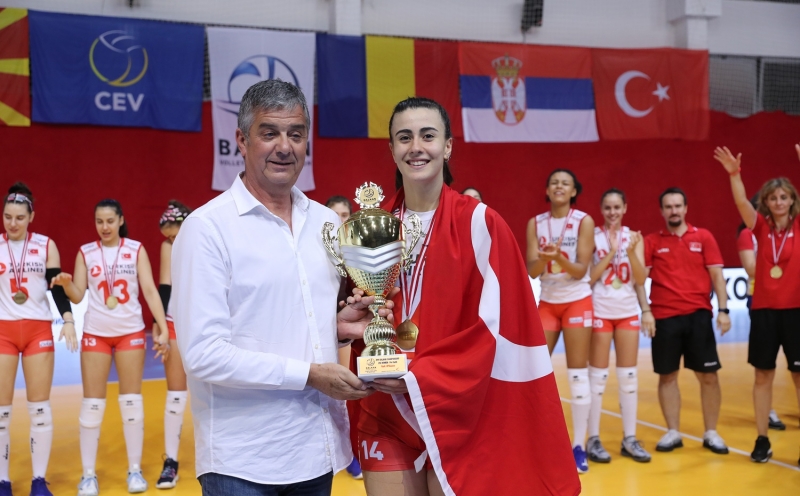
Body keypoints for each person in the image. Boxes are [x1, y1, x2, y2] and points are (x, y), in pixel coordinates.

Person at [171, 79, 388, 496]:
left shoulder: (326, 223)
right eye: (269, 133)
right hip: (243, 461)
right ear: (242, 140)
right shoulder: (207, 229)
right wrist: (308, 375)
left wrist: (338, 327)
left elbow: (287, 318)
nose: (284, 147)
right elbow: (202, 354)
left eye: (296, 134)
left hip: (316, 449)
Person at [360, 97, 578, 496]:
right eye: (404, 137)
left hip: (460, 409)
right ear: (391, 149)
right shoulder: (370, 228)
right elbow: (355, 314)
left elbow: (498, 328)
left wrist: (420, 376)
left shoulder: (482, 224)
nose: (416, 147)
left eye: (428, 136)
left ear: (447, 146)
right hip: (386, 405)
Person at [50, 199, 170, 495]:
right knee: (92, 404)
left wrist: (163, 327)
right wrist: (66, 283)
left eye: (109, 221)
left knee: (131, 402)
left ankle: (134, 471)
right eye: (99, 221)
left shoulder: (136, 250)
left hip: (130, 332)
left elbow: (150, 290)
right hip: (96, 333)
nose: (104, 227)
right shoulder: (86, 253)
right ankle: (88, 475)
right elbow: (78, 296)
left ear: (120, 221)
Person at [715, 145, 800, 464]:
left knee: (799, 377)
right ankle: (762, 439)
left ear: (792, 200)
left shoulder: (799, 226)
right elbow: (740, 202)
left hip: (796, 311)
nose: (778, 202)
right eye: (773, 198)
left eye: (784, 197)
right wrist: (734, 173)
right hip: (764, 312)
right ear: (766, 202)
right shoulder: (760, 227)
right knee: (762, 377)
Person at [0, 183, 77, 496]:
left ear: (31, 216)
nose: (13, 223)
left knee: (40, 409)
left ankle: (39, 481)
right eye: (7, 217)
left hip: (37, 332)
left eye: (20, 217)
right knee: (1, 413)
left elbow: (56, 287)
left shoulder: (46, 246)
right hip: (3, 331)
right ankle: (3, 482)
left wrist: (68, 319)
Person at [643, 187, 731, 456]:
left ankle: (711, 432)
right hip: (664, 318)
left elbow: (717, 277)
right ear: (662, 211)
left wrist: (724, 310)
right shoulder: (651, 241)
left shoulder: (703, 237)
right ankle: (673, 432)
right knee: (667, 376)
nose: (674, 211)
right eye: (669, 207)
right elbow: (638, 279)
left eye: (678, 206)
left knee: (709, 376)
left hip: (698, 316)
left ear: (686, 208)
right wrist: (645, 311)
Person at [526, 169, 596, 473]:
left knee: (578, 374)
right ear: (547, 190)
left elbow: (580, 270)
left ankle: (579, 446)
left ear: (573, 191)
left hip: (577, 299)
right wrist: (544, 258)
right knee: (535, 370)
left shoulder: (584, 221)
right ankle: (538, 441)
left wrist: (558, 257)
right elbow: (531, 270)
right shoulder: (536, 223)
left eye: (565, 183)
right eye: (554, 182)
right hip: (548, 301)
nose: (559, 186)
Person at [586, 189, 651, 464]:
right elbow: (589, 278)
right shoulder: (592, 236)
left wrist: (631, 252)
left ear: (625, 208)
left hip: (627, 312)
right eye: (608, 207)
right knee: (597, 379)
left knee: (629, 378)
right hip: (600, 310)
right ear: (602, 210)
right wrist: (611, 252)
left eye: (617, 207)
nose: (612, 212)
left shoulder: (635, 237)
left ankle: (630, 439)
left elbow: (640, 278)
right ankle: (593, 439)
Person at [736, 195, 786, 432]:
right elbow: (751, 269)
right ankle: (768, 411)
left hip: (790, 299)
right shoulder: (749, 234)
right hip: (761, 299)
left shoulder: (787, 232)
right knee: (766, 363)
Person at [151, 200, 192, 489]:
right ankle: (171, 462)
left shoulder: (206, 239)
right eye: (168, 236)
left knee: (217, 395)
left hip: (206, 326)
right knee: (176, 396)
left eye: (175, 234)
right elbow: (164, 286)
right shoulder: (168, 247)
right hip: (175, 323)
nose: (172, 240)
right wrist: (160, 326)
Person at [324, 195, 364, 481]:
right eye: (334, 214)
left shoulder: (359, 250)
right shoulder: (318, 249)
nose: (340, 219)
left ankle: (352, 451)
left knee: (349, 382)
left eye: (345, 214)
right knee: (330, 386)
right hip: (324, 326)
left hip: (348, 323)